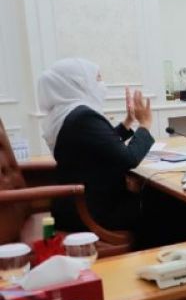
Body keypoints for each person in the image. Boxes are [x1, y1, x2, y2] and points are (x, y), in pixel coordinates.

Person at [38, 58, 154, 232]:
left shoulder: (67, 114)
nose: (102, 85)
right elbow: (129, 159)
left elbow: (99, 144)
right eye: (98, 79)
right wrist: (144, 124)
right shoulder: (83, 116)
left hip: (76, 207)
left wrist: (128, 122)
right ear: (79, 83)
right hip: (94, 212)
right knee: (166, 203)